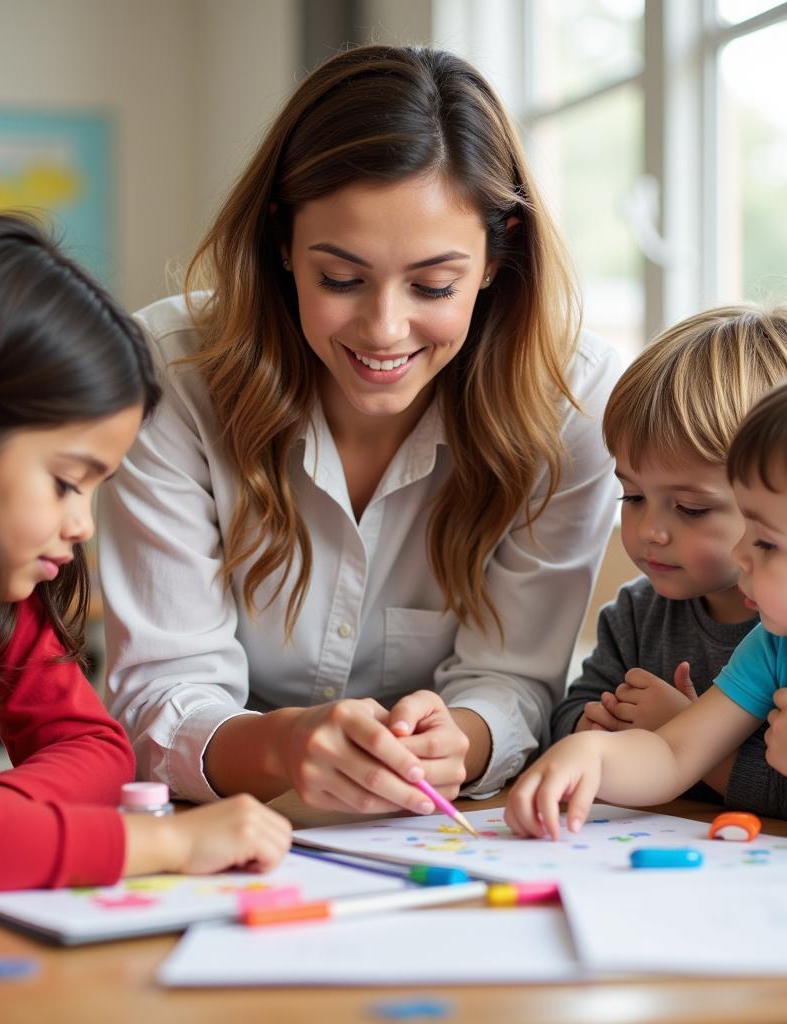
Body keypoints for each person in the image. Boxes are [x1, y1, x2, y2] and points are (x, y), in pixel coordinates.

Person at [98, 44, 621, 813]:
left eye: (434, 285)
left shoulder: (571, 402)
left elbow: (513, 681)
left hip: (443, 825)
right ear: (282, 242)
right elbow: (161, 693)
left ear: (496, 257)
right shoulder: (171, 376)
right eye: (339, 279)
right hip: (224, 824)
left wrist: (463, 740)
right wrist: (282, 744)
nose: (384, 329)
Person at [0, 214, 291, 894]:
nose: (82, 526)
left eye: (94, 492)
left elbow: (98, 749)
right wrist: (160, 842)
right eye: (65, 483)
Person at [507, 348, 787, 855]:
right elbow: (671, 753)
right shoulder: (776, 645)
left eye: (766, 542)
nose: (741, 551)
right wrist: (591, 753)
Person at [550, 304, 787, 821]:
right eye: (632, 496)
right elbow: (569, 714)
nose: (650, 531)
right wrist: (592, 730)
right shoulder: (638, 613)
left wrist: (683, 737)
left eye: (691, 508)